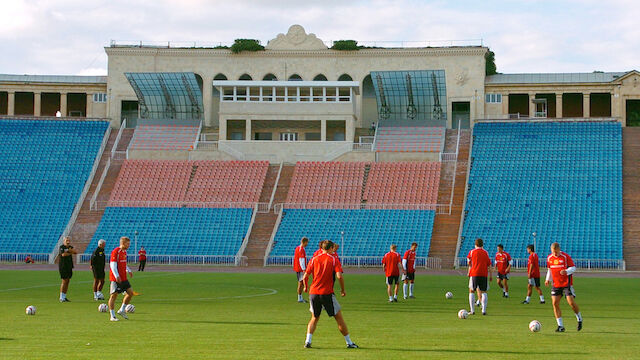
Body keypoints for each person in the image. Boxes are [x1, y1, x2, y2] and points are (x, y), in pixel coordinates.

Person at [302, 240, 358, 349]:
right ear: (331, 248)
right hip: (326, 293)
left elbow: (305, 276)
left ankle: (308, 341)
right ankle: (349, 342)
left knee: (314, 317)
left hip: (313, 293)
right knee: (339, 318)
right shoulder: (333, 259)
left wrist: (305, 286)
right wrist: (342, 290)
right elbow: (339, 276)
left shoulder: (314, 259)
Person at [545, 242, 582, 332]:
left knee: (571, 303)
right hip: (556, 284)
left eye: (556, 252)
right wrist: (547, 279)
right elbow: (550, 270)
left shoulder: (565, 257)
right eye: (553, 252)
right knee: (555, 303)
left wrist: (566, 271)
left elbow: (573, 268)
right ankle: (560, 326)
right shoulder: (549, 258)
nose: (555, 254)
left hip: (566, 284)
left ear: (559, 249)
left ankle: (579, 319)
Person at [108, 236, 135, 322]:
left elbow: (123, 263)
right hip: (116, 278)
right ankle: (112, 316)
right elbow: (113, 265)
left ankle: (122, 310)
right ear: (123, 243)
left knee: (130, 293)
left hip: (124, 278)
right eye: (127, 244)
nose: (129, 245)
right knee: (113, 296)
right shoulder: (116, 251)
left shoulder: (124, 252)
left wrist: (128, 270)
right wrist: (116, 276)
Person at [467, 238, 492, 315]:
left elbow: (469, 263)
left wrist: (469, 271)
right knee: (484, 291)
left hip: (474, 273)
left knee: (471, 290)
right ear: (482, 245)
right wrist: (491, 275)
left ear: (475, 244)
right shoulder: (485, 252)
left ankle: (472, 310)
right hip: (484, 274)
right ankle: (483, 310)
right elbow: (489, 264)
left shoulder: (472, 252)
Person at [58, 236, 77, 302]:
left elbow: (75, 252)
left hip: (69, 266)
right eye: (66, 240)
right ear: (64, 241)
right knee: (64, 281)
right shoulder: (62, 247)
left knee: (67, 281)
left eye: (69, 240)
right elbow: (63, 254)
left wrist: (70, 251)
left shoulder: (70, 247)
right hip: (63, 266)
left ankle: (64, 296)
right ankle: (61, 297)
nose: (68, 241)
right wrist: (70, 252)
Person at [293, 237, 309, 303]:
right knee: (301, 282)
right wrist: (304, 269)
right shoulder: (301, 249)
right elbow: (301, 260)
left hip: (298, 268)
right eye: (307, 243)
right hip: (300, 269)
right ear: (304, 242)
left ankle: (300, 297)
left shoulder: (298, 248)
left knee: (301, 282)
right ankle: (299, 298)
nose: (307, 244)